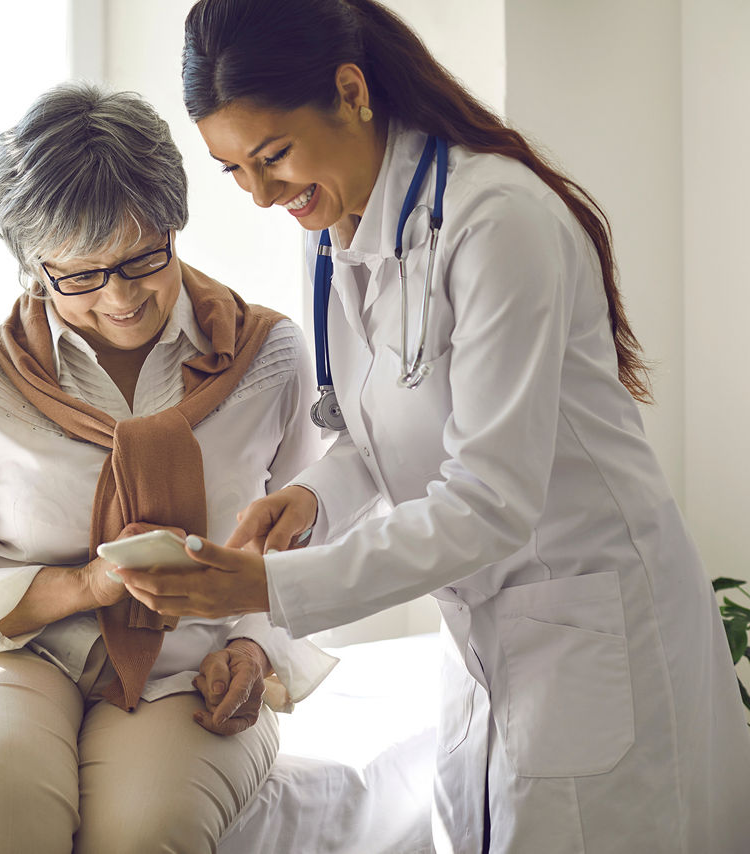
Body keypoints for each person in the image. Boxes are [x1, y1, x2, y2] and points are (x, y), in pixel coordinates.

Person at [114, 1, 750, 852]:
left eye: (273, 156)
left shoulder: (498, 220)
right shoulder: (331, 227)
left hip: (599, 623)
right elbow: (381, 433)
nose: (263, 195)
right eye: (234, 170)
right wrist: (311, 498)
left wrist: (264, 589)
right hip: (488, 632)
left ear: (352, 91)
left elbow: (489, 502)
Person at [0, 82, 335, 854]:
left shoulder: (270, 357)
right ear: (32, 267)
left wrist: (255, 648)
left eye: (143, 259)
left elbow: (316, 545)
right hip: (11, 654)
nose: (121, 297)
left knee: (146, 832)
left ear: (174, 226)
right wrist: (79, 588)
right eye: (81, 275)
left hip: (193, 666)